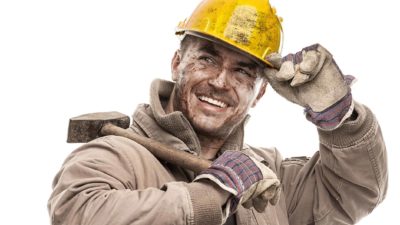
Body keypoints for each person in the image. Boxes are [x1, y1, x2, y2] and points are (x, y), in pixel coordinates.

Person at [48, 0, 388, 224]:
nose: (221, 81)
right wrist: (211, 194)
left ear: (260, 93)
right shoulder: (112, 156)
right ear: (177, 63)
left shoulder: (267, 178)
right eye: (207, 58)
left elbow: (353, 192)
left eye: (243, 71)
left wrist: (338, 118)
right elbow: (77, 213)